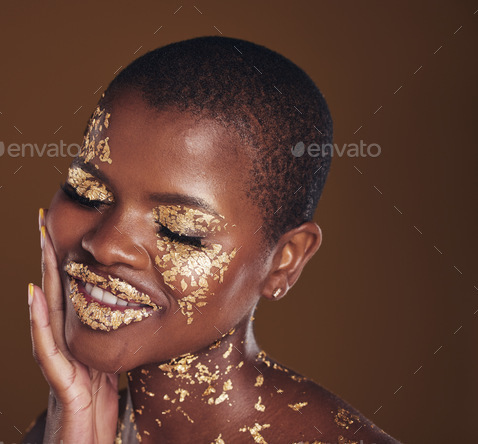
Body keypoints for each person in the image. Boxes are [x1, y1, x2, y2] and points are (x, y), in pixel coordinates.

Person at [23, 36, 400, 443]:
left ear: (285, 260)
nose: (107, 244)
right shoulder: (62, 428)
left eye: (180, 228)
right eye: (87, 193)